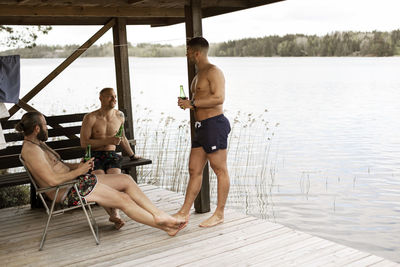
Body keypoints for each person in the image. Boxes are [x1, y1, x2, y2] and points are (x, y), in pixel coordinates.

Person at [17, 112, 184, 236]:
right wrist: (79, 171)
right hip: (67, 191)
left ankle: (158, 214)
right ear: (37, 128)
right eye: (45, 125)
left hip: (77, 181)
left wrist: (78, 165)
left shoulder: (39, 143)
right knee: (123, 199)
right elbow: (52, 180)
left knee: (125, 179)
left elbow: (59, 166)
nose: (47, 128)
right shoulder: (31, 151)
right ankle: (164, 224)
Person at [176, 37, 231, 228]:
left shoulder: (214, 72)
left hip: (214, 125)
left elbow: (219, 98)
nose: (187, 54)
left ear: (196, 53)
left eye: (188, 51)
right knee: (194, 169)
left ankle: (219, 214)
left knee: (219, 169)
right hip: (201, 127)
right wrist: (188, 104)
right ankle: (184, 212)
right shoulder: (197, 75)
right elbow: (199, 101)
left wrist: (192, 103)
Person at [80, 87, 140, 229]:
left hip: (112, 156)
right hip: (94, 156)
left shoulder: (119, 116)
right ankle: (115, 214)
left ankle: (114, 214)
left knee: (115, 182)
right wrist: (108, 141)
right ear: (100, 98)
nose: (114, 99)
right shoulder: (90, 118)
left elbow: (122, 138)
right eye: (110, 97)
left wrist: (132, 155)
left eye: (115, 96)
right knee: (99, 182)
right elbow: (84, 143)